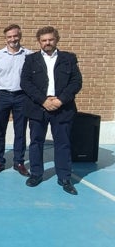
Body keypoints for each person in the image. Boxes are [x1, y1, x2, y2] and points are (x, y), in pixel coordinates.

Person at [20, 26, 82, 195]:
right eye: (44, 40)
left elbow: (76, 82)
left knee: (63, 143)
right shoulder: (30, 59)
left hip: (62, 107)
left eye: (50, 39)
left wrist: (61, 100)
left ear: (56, 39)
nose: (47, 43)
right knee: (36, 142)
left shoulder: (68, 58)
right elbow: (25, 82)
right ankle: (36, 174)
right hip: (38, 107)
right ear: (39, 42)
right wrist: (43, 101)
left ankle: (64, 177)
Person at [0, 24, 32, 176]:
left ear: (20, 36)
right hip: (3, 96)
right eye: (9, 37)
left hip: (22, 96)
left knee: (20, 130)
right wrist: (1, 86)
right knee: (0, 130)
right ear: (5, 38)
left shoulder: (29, 55)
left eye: (15, 36)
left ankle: (19, 162)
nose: (12, 39)